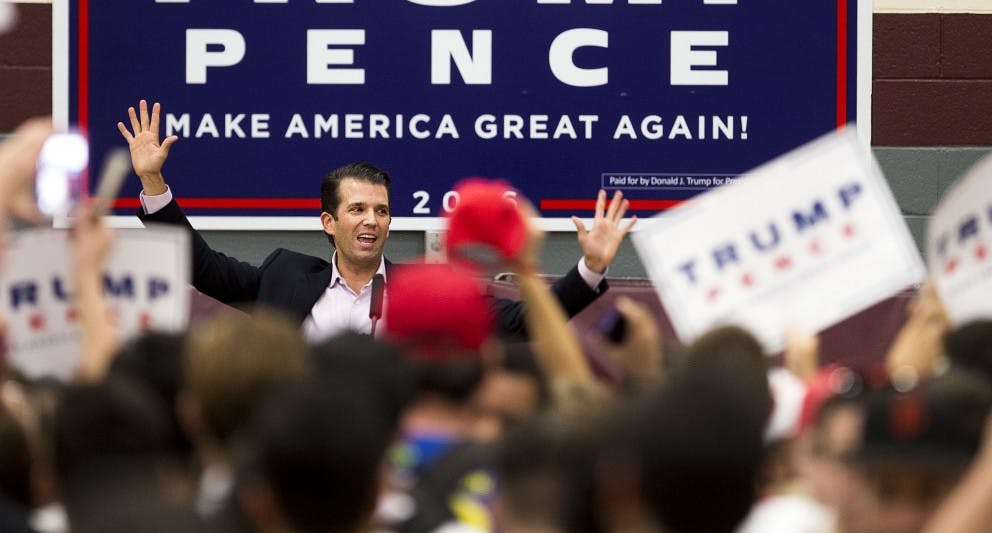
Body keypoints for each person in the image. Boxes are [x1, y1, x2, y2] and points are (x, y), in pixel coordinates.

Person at [117, 100, 635, 340]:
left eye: (382, 211)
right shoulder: (284, 277)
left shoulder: (428, 291)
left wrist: (588, 269)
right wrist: (154, 186)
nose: (372, 221)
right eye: (358, 209)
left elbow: (523, 324)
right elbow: (200, 266)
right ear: (328, 222)